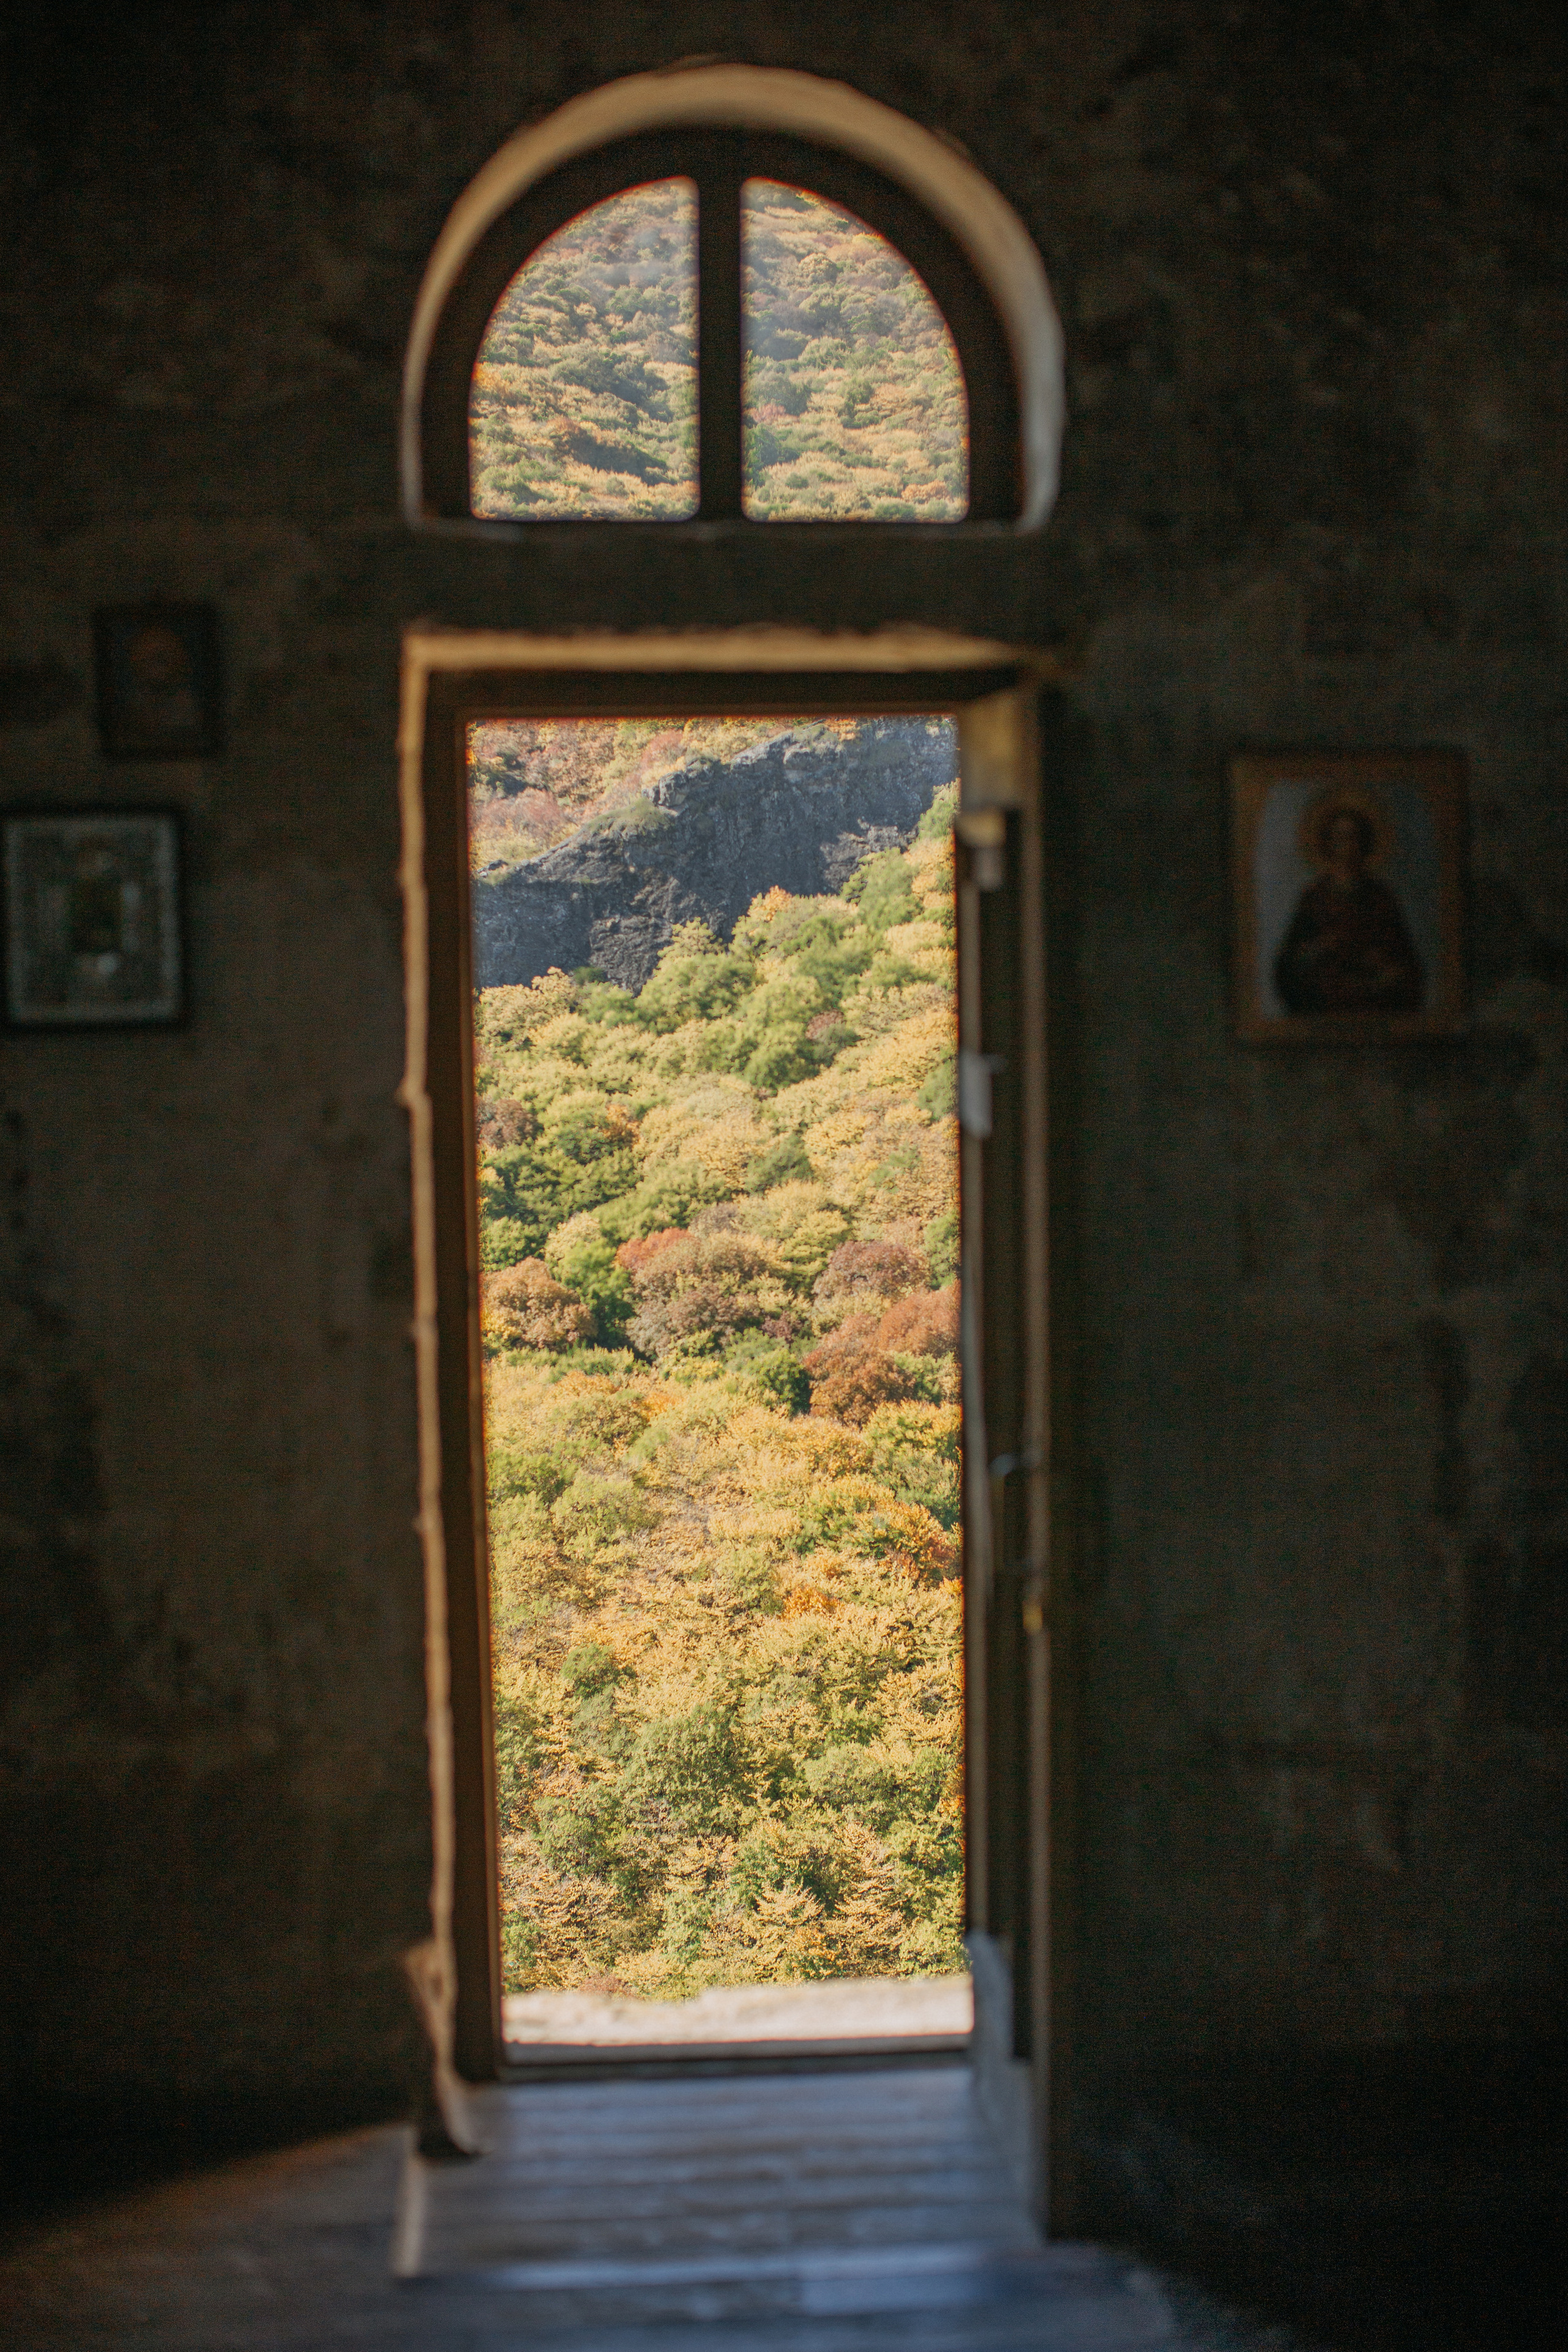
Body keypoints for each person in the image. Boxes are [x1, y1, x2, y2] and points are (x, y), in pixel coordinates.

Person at [1273, 799, 1424, 1015]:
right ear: (1329, 843)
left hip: (1370, 992)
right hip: (1325, 991)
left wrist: (1383, 965)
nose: (1348, 845)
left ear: (1364, 843)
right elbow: (1290, 962)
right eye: (1340, 838)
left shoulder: (1380, 897)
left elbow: (1404, 961)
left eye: (1354, 837)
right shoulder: (1314, 898)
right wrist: (1321, 947)